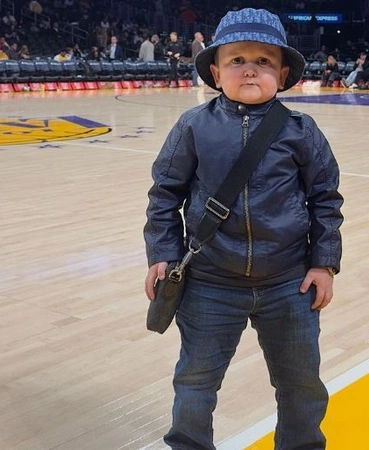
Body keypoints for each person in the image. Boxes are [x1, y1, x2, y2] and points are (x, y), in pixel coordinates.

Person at [144, 8, 343, 449]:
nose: (250, 69)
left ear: (283, 74)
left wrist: (324, 264)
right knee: (195, 384)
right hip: (209, 284)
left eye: (264, 61)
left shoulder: (301, 130)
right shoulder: (193, 126)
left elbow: (325, 200)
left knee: (301, 386)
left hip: (289, 284)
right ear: (216, 73)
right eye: (236, 60)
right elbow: (164, 196)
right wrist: (163, 253)